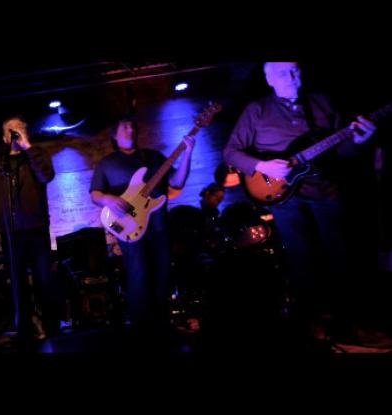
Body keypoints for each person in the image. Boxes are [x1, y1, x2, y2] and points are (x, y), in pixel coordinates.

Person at [223, 62, 377, 344]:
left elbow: (342, 151)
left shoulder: (322, 102)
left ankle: (351, 324)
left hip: (325, 190)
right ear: (269, 78)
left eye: (294, 70)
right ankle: (312, 325)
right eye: (282, 73)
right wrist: (263, 166)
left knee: (342, 256)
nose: (291, 77)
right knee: (300, 258)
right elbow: (231, 153)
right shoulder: (257, 109)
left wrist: (358, 141)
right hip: (284, 198)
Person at [90, 116, 195, 334]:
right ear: (114, 135)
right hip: (130, 226)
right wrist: (109, 198)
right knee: (138, 275)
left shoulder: (153, 157)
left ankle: (163, 327)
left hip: (159, 227)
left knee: (162, 275)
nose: (131, 130)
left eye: (133, 127)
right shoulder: (107, 164)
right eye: (125, 126)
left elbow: (177, 181)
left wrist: (187, 153)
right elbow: (95, 194)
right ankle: (140, 330)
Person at [0, 115, 60, 348]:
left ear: (25, 132)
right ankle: (25, 331)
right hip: (11, 232)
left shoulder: (37, 154)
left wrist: (28, 147)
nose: (14, 132)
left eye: (19, 128)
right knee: (17, 283)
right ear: (4, 137)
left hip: (36, 230)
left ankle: (52, 329)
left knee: (44, 280)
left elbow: (46, 176)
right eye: (10, 129)